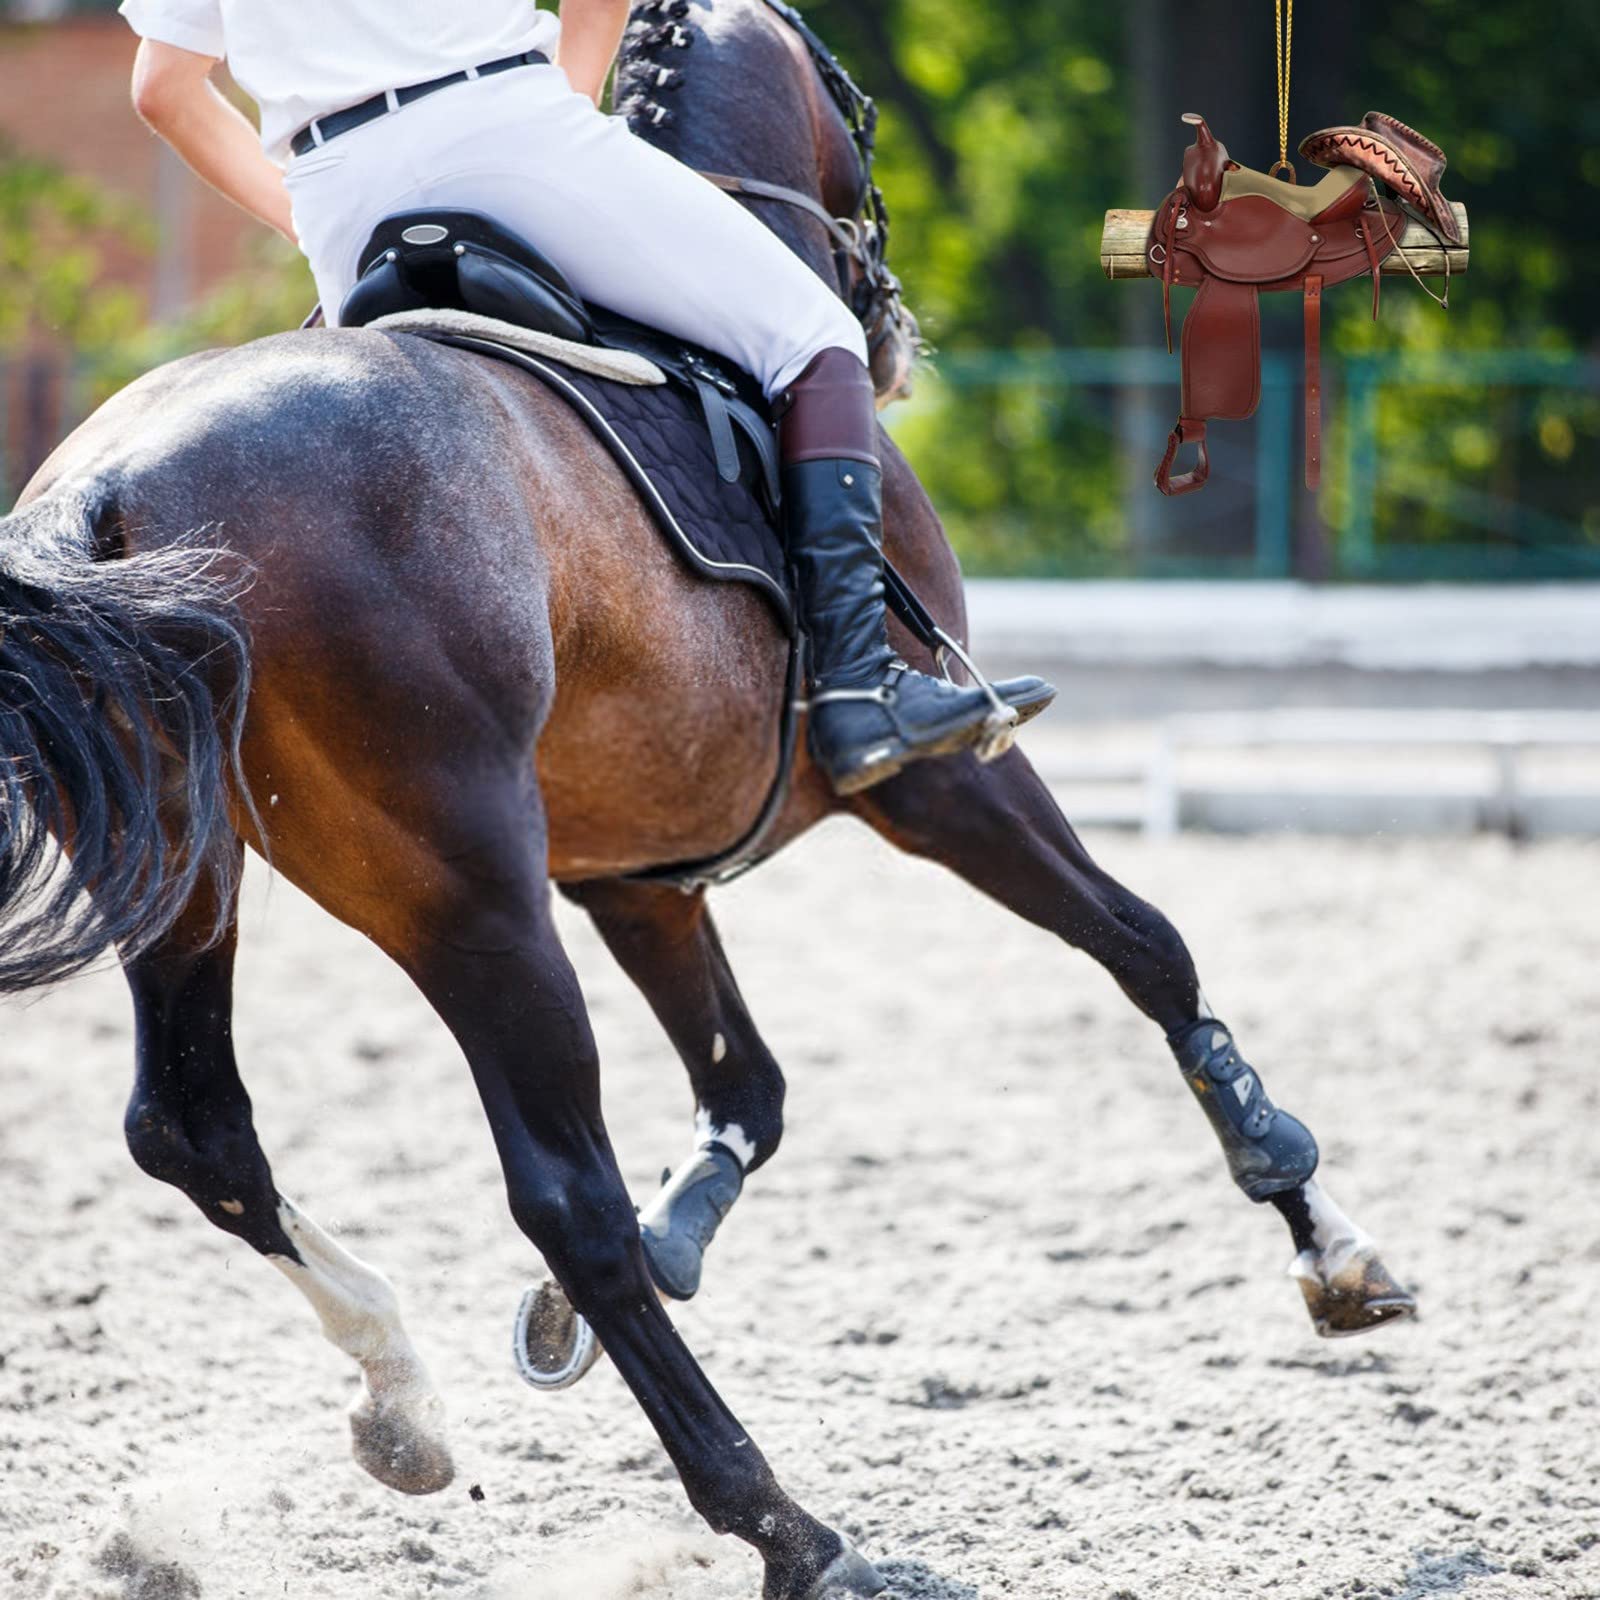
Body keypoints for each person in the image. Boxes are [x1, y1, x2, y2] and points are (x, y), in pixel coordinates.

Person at [120, 0, 1051, 795]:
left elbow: (162, 89)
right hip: (503, 123)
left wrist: (310, 214)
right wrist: (556, 117)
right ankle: (860, 686)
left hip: (336, 194)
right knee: (817, 338)